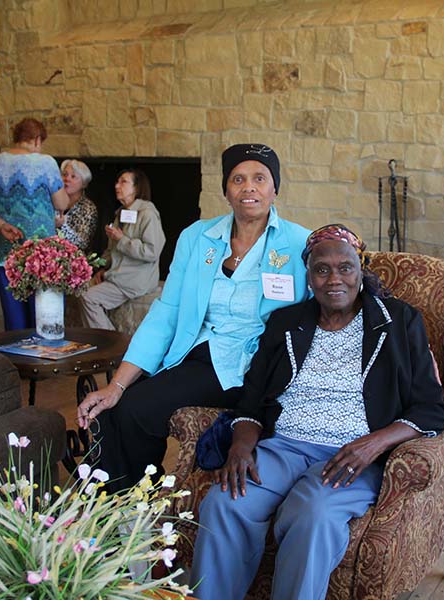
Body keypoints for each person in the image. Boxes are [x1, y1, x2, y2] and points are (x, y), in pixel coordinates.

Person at [190, 224, 444, 600]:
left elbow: (432, 408)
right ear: (308, 276)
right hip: (284, 447)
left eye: (345, 268)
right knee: (225, 503)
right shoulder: (286, 323)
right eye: (321, 269)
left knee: (313, 514)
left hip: (351, 456)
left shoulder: (398, 322)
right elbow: (252, 399)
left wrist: (373, 444)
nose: (334, 279)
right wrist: (242, 445)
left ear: (360, 270)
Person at [76, 143, 311, 491]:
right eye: (238, 179)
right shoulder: (198, 237)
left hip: (252, 367)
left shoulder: (300, 243)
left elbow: (326, 307)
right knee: (115, 405)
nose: (249, 187)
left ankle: (125, 503)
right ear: (226, 190)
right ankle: (121, 502)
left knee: (135, 409)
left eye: (260, 178)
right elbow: (167, 312)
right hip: (195, 354)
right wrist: (116, 385)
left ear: (274, 188)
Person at [0, 117, 69, 330]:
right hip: (42, 256)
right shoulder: (46, 163)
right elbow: (62, 203)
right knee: (45, 321)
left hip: (6, 255)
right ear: (37, 140)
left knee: (15, 324)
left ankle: (16, 353)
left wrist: (0, 225)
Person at [80, 168, 164, 330]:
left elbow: (152, 252)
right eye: (117, 182)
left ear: (136, 188)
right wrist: (102, 268)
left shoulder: (147, 214)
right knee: (81, 288)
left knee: (88, 297)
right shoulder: (121, 213)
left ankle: (110, 341)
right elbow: (113, 251)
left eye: (123, 182)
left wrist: (121, 239)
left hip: (134, 280)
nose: (117, 186)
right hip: (118, 275)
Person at [56, 159, 98, 252]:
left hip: (74, 258)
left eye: (73, 176)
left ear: (84, 184)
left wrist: (62, 226)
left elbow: (82, 243)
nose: (67, 179)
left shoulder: (88, 208)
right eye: (64, 175)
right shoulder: (54, 201)